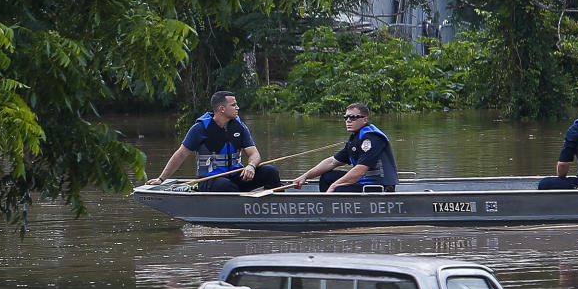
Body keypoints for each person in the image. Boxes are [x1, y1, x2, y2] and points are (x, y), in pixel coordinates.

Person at [146, 91, 281, 191]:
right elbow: (180, 155)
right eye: (233, 105)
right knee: (226, 186)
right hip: (210, 180)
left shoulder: (239, 127)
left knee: (271, 172)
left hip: (235, 176)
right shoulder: (199, 129)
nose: (237, 107)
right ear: (221, 109)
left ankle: (274, 204)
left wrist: (251, 166)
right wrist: (161, 179)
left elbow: (254, 154)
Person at [290, 103, 399, 192]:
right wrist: (305, 176)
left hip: (379, 186)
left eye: (353, 117)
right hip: (363, 181)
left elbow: (359, 171)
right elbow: (332, 162)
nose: (348, 120)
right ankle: (327, 206)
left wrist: (334, 186)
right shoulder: (356, 138)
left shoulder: (372, 138)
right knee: (327, 177)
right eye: (346, 117)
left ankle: (332, 209)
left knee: (339, 188)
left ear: (365, 119)